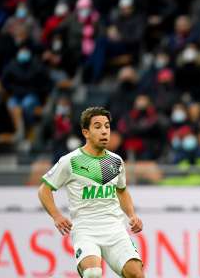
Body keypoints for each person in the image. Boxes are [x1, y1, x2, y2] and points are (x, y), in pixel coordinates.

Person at [37, 107, 144, 278]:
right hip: (86, 230)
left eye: (107, 126)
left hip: (114, 229)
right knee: (93, 273)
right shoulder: (70, 161)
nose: (104, 131)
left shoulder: (115, 161)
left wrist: (132, 215)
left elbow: (122, 191)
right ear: (86, 132)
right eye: (98, 126)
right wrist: (56, 216)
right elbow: (44, 190)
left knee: (136, 274)